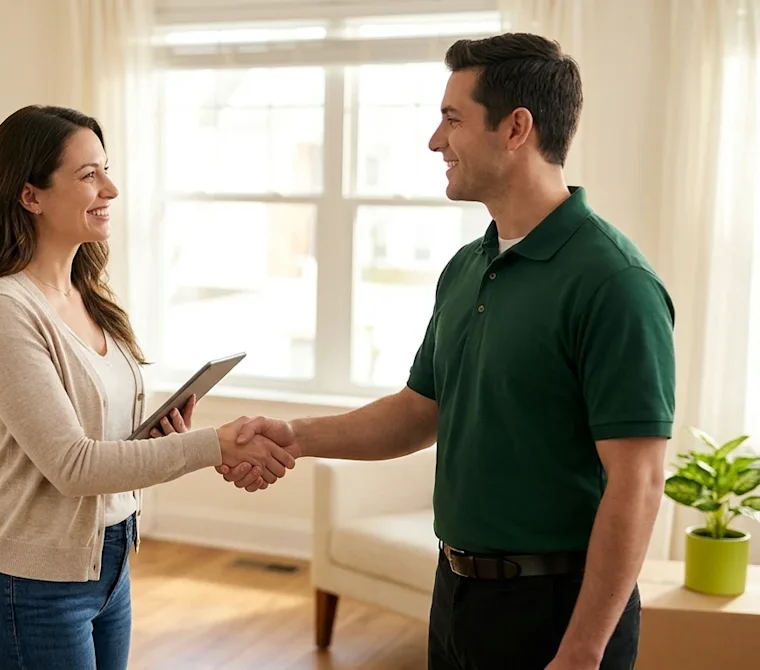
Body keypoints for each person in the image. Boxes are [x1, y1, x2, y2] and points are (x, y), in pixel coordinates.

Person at [221, 33, 675, 670]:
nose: (436, 141)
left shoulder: (615, 283)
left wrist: (582, 651)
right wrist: (293, 434)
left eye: (452, 119)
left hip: (556, 612)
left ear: (516, 128)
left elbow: (640, 482)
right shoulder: (469, 266)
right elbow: (419, 410)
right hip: (458, 594)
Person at [0, 104, 296, 670]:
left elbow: (97, 438)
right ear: (30, 196)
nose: (109, 188)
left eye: (105, 169)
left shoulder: (90, 296)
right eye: (87, 175)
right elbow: (73, 467)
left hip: (109, 564)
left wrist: (155, 437)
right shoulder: (3, 307)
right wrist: (214, 445)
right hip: (29, 586)